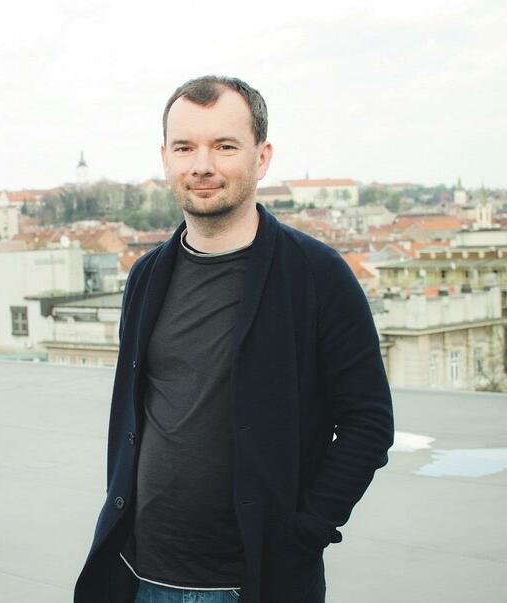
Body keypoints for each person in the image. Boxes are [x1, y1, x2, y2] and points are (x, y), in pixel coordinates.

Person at [74, 75, 394, 603]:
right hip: (139, 575)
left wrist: (307, 532)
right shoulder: (146, 276)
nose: (202, 165)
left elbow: (368, 423)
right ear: (165, 159)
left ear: (261, 158)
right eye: (185, 147)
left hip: (255, 583)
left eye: (224, 146)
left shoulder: (317, 275)